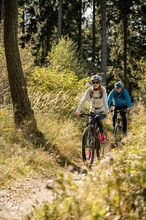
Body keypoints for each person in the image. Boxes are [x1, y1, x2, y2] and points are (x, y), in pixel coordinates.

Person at [75, 75, 109, 142]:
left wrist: (106, 110)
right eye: (94, 82)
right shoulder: (89, 90)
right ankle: (90, 148)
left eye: (97, 82)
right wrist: (78, 110)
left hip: (102, 110)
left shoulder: (103, 90)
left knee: (97, 118)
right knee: (90, 125)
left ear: (99, 83)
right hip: (93, 110)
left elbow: (105, 100)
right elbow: (84, 100)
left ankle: (102, 134)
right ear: (92, 83)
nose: (95, 84)